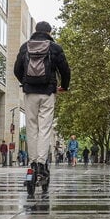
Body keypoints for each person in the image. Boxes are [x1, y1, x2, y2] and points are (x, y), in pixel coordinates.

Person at [13, 20, 71, 193]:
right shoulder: (54, 47)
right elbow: (65, 70)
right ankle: (41, 163)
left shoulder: (25, 47)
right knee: (45, 128)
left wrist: (25, 83)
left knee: (32, 127)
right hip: (48, 92)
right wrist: (64, 87)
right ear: (49, 32)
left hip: (30, 93)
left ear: (36, 31)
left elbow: (17, 69)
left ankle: (32, 163)